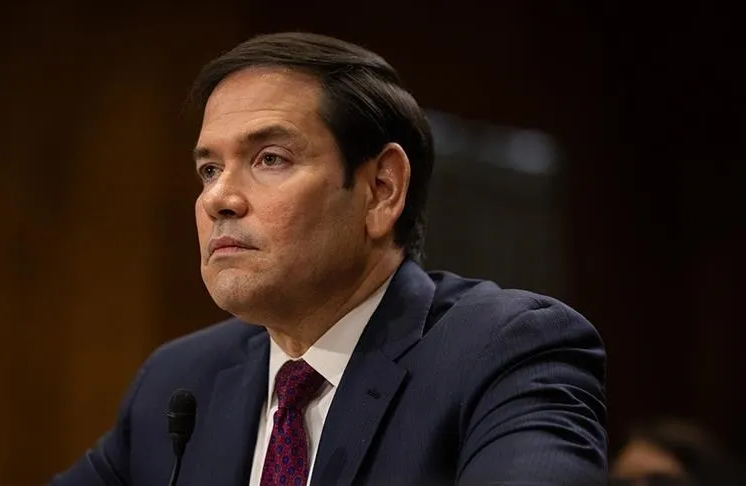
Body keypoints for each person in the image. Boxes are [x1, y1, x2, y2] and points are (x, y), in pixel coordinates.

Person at [50, 32, 607, 486]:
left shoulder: (505, 352)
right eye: (209, 169)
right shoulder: (179, 381)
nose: (218, 198)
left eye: (270, 158)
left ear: (381, 190)